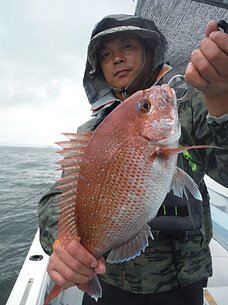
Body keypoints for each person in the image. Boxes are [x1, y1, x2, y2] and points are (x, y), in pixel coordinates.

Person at [38, 14, 228, 305]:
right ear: (98, 69)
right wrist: (63, 245)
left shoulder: (192, 109)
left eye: (127, 46)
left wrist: (221, 101)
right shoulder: (89, 133)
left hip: (179, 280)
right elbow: (58, 196)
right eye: (105, 54)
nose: (116, 59)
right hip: (110, 279)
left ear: (149, 52)